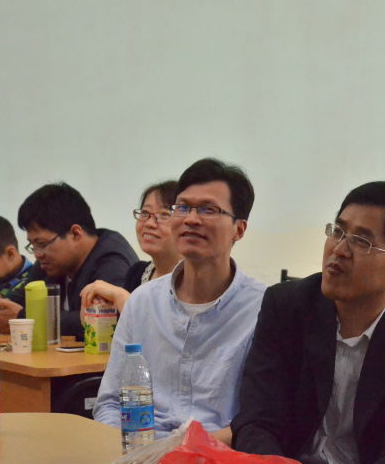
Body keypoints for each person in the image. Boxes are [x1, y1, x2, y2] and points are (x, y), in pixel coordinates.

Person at [231, 181, 385, 464]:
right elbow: (257, 421)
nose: (338, 250)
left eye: (361, 242)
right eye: (337, 232)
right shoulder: (287, 306)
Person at [93, 158, 265, 438]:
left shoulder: (262, 310)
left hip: (219, 455)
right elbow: (111, 403)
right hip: (140, 449)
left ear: (239, 229)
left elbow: (262, 419)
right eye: (182, 207)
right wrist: (132, 451)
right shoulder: (142, 302)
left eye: (209, 209)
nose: (191, 219)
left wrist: (183, 451)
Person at [0, 183, 138, 339]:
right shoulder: (50, 262)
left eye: (42, 244)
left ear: (76, 234)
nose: (37, 254)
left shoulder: (113, 262)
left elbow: (103, 319)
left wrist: (24, 318)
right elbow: (22, 299)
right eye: (33, 245)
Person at [80, 181, 182, 312]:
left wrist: (120, 296)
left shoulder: (190, 280)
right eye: (145, 213)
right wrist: (101, 310)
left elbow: (160, 324)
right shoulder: (137, 272)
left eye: (164, 215)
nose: (149, 223)